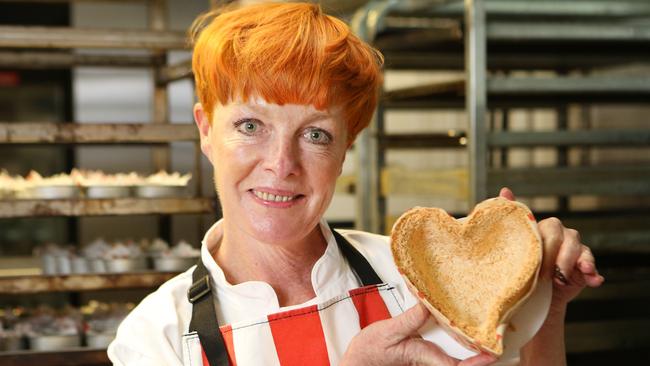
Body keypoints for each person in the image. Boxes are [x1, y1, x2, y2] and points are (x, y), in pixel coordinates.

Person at [107, 3, 604, 365]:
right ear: (205, 131)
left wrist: (544, 306)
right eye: (250, 126)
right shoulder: (157, 340)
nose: (281, 164)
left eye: (316, 134)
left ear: (346, 149)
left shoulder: (421, 281)